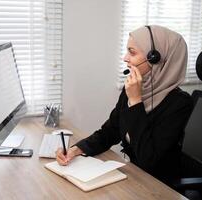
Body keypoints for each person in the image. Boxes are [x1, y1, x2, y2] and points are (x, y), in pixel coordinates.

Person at [56, 25, 193, 182]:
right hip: (133, 175)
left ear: (155, 58)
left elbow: (148, 160)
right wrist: (75, 150)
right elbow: (110, 131)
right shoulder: (133, 88)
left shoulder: (180, 103)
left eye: (132, 52)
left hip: (159, 185)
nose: (125, 58)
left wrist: (135, 101)